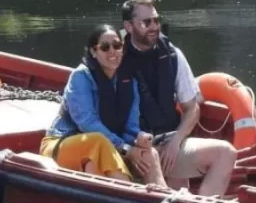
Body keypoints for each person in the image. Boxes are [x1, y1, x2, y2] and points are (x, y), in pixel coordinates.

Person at [118, 0, 236, 197]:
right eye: (146, 22)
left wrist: (176, 142)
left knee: (226, 153)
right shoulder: (114, 55)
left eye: (157, 20)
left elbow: (192, 108)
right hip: (135, 148)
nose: (154, 26)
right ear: (128, 26)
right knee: (153, 160)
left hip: (169, 141)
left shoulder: (172, 55)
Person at [42, 24, 166, 186]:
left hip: (108, 146)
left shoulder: (129, 81)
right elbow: (87, 124)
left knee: (149, 153)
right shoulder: (81, 76)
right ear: (94, 52)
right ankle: (130, 194)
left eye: (117, 45)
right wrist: (126, 149)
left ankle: (161, 198)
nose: (112, 52)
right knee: (98, 141)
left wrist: (139, 138)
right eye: (105, 47)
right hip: (61, 144)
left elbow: (130, 126)